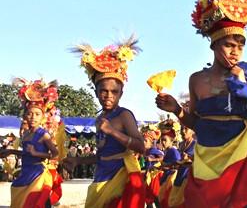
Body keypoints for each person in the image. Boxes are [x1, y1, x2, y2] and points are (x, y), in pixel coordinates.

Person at [156, 0, 247, 208]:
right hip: (206, 157)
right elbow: (197, 122)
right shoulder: (197, 80)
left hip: (241, 156)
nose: (235, 52)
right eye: (229, 45)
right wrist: (176, 109)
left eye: (240, 46)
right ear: (214, 44)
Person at [67, 36, 146, 207]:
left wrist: (113, 132)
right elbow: (103, 156)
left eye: (114, 92)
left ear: (121, 94)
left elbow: (141, 147)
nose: (108, 96)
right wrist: (78, 161)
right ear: (95, 92)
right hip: (100, 178)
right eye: (103, 91)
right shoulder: (99, 119)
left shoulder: (124, 115)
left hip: (120, 179)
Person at [2, 79, 60, 208]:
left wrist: (37, 153)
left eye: (37, 114)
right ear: (25, 116)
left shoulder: (44, 134)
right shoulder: (26, 134)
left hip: (37, 174)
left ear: (42, 117)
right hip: (25, 172)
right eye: (30, 114)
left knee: (36, 202)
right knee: (18, 197)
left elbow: (55, 154)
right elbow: (27, 153)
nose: (33, 117)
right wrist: (11, 151)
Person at [168, 120, 196, 207]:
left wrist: (189, 158)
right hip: (179, 175)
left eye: (186, 128)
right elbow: (178, 160)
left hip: (188, 176)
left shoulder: (196, 144)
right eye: (182, 128)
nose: (183, 131)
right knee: (173, 202)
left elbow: (200, 161)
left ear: (192, 131)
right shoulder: (181, 144)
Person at [141, 124, 164, 208]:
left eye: (146, 141)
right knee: (149, 199)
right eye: (143, 140)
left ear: (151, 143)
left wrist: (152, 160)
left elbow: (162, 157)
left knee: (154, 198)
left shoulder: (153, 150)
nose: (144, 142)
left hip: (154, 177)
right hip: (148, 177)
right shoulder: (145, 151)